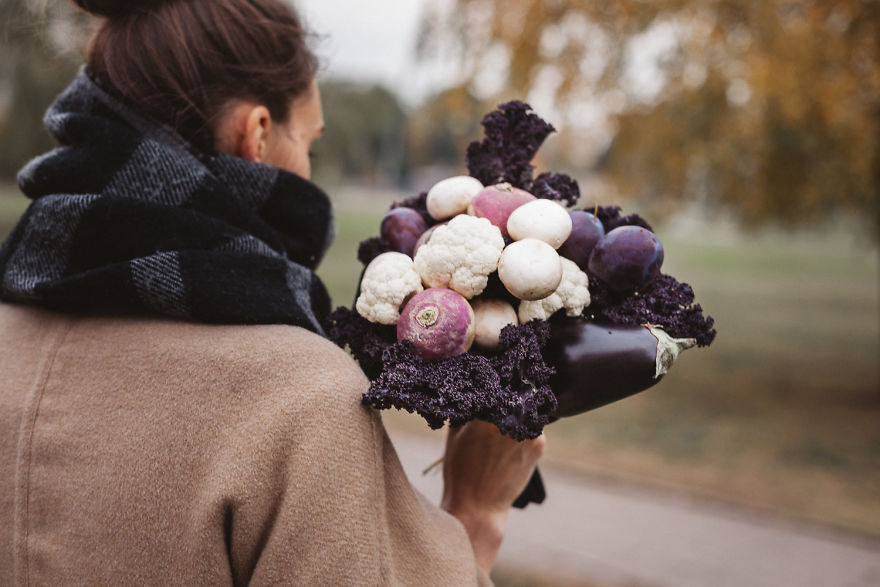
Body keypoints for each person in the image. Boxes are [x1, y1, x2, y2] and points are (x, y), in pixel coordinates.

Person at [0, 0, 544, 584]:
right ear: (257, 134)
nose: (307, 165)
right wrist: (476, 514)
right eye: (309, 140)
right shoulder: (302, 400)